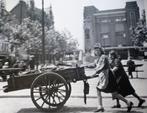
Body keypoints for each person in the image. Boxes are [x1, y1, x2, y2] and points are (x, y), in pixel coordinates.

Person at [91, 44, 133, 112]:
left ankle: (100, 106)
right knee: (114, 93)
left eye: (98, 50)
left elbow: (101, 67)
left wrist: (94, 74)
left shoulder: (103, 57)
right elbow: (94, 65)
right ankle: (128, 102)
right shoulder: (98, 58)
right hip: (105, 77)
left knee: (99, 89)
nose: (97, 52)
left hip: (108, 77)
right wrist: (86, 66)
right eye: (95, 51)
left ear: (101, 50)